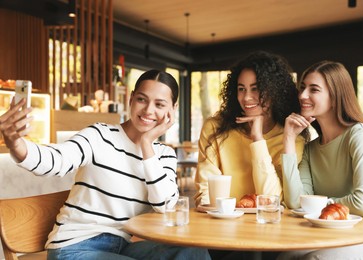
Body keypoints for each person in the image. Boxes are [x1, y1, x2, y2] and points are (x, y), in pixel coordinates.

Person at [1, 70, 211, 260]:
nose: (148, 110)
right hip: (75, 247)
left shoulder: (164, 155)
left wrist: (147, 144)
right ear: (131, 99)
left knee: (193, 252)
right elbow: (55, 160)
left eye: (159, 104)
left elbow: (164, 206)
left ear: (172, 110)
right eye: (141, 99)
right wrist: (16, 143)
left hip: (121, 248)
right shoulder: (99, 136)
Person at [279, 61, 363, 259]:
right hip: (341, 233)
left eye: (314, 89)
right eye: (303, 87)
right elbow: (296, 202)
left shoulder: (359, 135)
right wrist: (288, 139)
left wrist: (318, 206)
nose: (303, 95)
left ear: (336, 96)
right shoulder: (311, 148)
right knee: (286, 255)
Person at [194, 50, 308, 207]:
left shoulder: (292, 139)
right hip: (222, 222)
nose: (246, 97)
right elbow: (205, 193)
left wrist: (258, 140)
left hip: (267, 226)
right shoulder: (214, 128)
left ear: (275, 91)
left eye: (255, 88)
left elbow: (273, 201)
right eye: (241, 89)